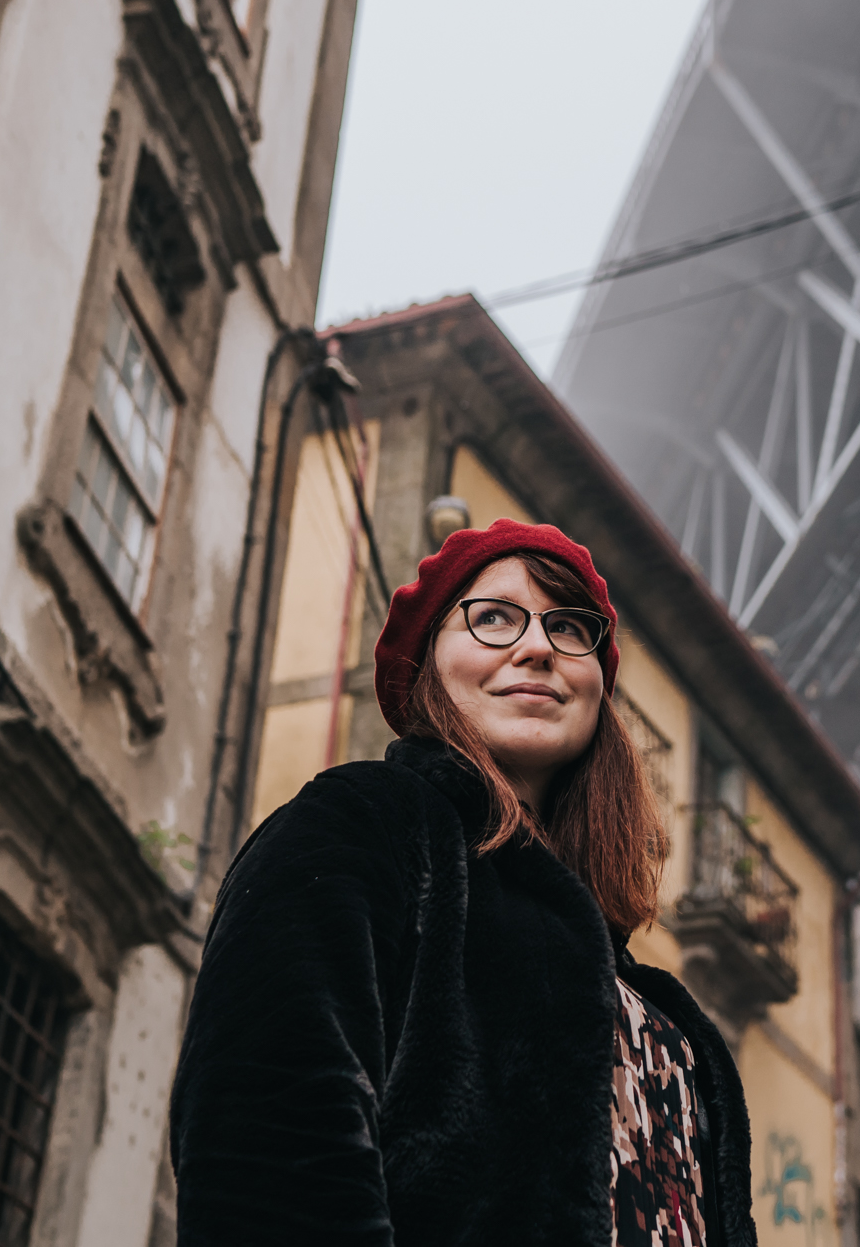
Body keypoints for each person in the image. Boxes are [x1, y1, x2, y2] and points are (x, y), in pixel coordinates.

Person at [171, 519, 757, 1246]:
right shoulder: (363, 825)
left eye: (569, 626)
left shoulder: (655, 1003)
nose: (538, 646)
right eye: (493, 618)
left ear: (597, 685)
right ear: (428, 663)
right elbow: (264, 1134)